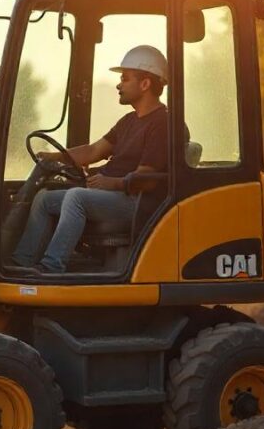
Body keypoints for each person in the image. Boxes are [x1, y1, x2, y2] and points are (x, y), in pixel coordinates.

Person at [11, 45, 169, 274]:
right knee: (44, 199)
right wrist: (55, 157)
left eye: (125, 79)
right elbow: (94, 150)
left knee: (76, 197)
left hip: (135, 202)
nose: (118, 84)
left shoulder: (162, 124)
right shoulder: (129, 121)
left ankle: (51, 267)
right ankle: (22, 264)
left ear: (145, 84)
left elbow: (147, 179)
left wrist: (111, 183)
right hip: (112, 195)